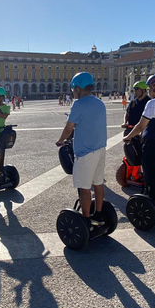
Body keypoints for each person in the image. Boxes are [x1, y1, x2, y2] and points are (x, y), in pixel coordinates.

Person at [56, 72, 107, 227]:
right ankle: (98, 214)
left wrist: (60, 140)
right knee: (98, 184)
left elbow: (68, 128)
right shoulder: (99, 103)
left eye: (73, 89)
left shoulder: (79, 104)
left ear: (78, 88)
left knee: (84, 188)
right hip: (100, 149)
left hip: (85, 153)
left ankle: (86, 221)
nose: (73, 92)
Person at [123, 73, 155, 212]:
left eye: (150, 87)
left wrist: (128, 137)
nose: (149, 90)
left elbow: (141, 125)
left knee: (151, 175)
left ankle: (153, 204)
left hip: (153, 144)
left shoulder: (152, 103)